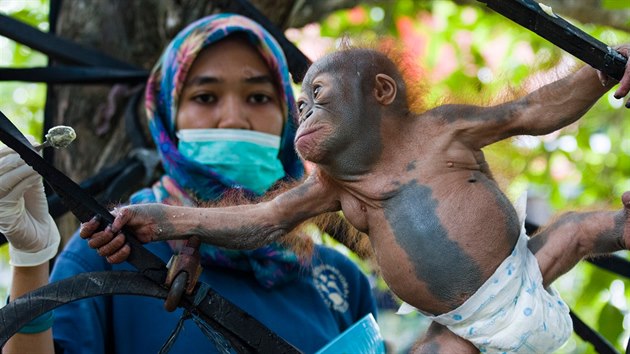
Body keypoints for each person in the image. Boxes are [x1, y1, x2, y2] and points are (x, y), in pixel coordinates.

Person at [85, 41, 630, 354]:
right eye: (301, 106)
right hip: (462, 334)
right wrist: (161, 219)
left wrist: (605, 67)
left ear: (381, 93)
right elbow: (263, 220)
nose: (305, 114)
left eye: (317, 97)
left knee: (581, 229)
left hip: (526, 280)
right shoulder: (333, 185)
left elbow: (534, 111)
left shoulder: (442, 130)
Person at [0, 13, 378, 354]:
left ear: (290, 122)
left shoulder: (340, 281)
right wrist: (31, 260)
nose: (233, 118)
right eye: (205, 96)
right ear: (168, 117)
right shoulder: (109, 251)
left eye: (259, 97)